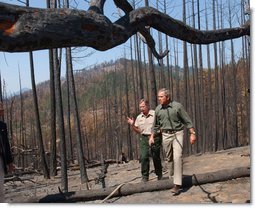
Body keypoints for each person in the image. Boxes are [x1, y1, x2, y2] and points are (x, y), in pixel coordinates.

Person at [149, 88, 196, 195]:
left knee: (177, 157)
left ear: (168, 97)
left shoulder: (177, 106)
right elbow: (155, 125)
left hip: (177, 134)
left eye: (161, 97)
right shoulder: (158, 109)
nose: (159, 99)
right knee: (169, 158)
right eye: (158, 97)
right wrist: (152, 137)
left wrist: (192, 133)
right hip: (165, 135)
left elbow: (187, 120)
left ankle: (177, 184)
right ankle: (172, 178)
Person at [127, 99, 162, 182]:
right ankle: (145, 177)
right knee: (144, 157)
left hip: (155, 137)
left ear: (147, 106)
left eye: (143, 106)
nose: (141, 108)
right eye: (140, 107)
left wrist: (155, 135)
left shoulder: (154, 114)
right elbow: (138, 130)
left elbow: (160, 125)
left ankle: (159, 175)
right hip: (144, 138)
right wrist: (132, 125)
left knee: (155, 157)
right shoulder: (139, 117)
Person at [0, 103, 14, 202]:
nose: (3, 111)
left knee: (1, 190)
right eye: (1, 109)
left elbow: (6, 145)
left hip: (0, 161)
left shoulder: (2, 126)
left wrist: (9, 162)